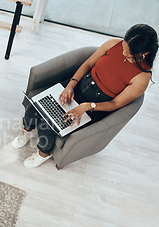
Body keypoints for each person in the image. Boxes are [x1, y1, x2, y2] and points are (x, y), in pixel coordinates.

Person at [13, 24, 158, 168]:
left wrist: (88, 106)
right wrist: (70, 85)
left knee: (49, 125)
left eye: (128, 54)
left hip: (95, 106)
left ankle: (44, 153)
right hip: (79, 85)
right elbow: (88, 64)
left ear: (144, 53)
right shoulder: (114, 44)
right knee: (35, 106)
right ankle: (27, 131)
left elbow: (115, 104)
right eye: (123, 48)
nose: (123, 54)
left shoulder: (142, 78)